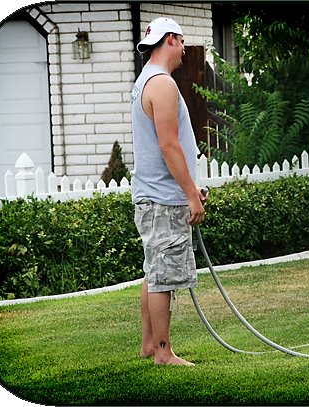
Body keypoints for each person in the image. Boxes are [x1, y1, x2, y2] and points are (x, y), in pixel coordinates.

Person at [131, 17, 208, 365]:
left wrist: (190, 187)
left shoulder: (145, 80)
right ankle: (164, 353)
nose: (184, 50)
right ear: (172, 40)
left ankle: (150, 345)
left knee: (154, 271)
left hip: (155, 195)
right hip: (162, 199)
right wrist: (190, 195)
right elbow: (168, 145)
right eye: (182, 42)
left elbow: (162, 148)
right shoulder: (162, 84)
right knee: (163, 276)